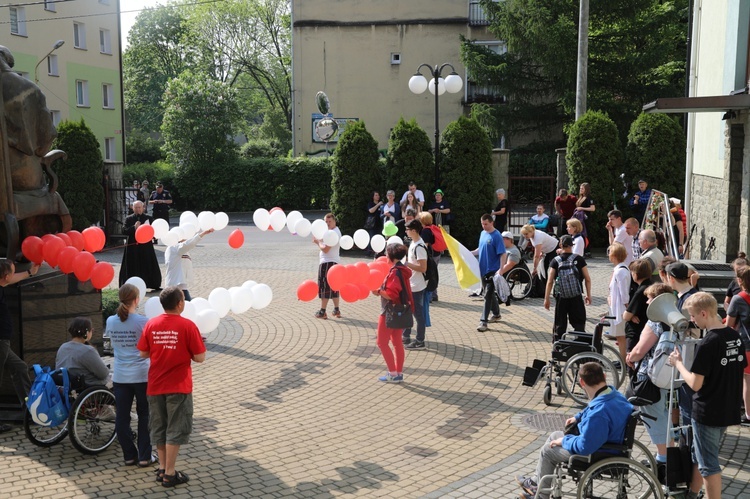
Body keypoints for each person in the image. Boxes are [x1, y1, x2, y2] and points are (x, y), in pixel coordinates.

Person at [515, 362, 633, 499]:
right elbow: (593, 406)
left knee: (547, 451)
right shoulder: (613, 394)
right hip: (611, 442)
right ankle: (536, 482)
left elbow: (585, 446)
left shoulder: (598, 414)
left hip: (599, 452)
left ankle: (541, 495)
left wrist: (565, 441)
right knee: (554, 435)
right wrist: (578, 417)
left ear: (582, 382)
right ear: (604, 376)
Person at [668, 292, 746, 499]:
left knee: (709, 464)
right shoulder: (734, 336)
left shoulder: (708, 343)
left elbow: (694, 383)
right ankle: (692, 494)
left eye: (693, 316)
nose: (692, 320)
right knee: (699, 455)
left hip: (707, 411)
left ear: (703, 313)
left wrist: (678, 364)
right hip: (727, 408)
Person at [137, 287, 206, 488]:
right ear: (180, 304)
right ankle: (169, 474)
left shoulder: (152, 324)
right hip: (179, 386)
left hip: (155, 385)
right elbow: (200, 357)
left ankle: (162, 469)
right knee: (175, 429)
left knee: (160, 428)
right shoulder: (187, 326)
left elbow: (142, 352)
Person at [625, 283, 676, 472]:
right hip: (669, 374)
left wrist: (630, 357)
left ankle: (663, 460)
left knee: (653, 416)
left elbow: (639, 350)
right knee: (664, 413)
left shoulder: (655, 321)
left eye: (649, 298)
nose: (646, 302)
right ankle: (668, 453)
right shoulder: (676, 318)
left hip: (650, 377)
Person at [106, 283, 153, 467]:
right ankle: (144, 456)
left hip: (120, 376)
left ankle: (129, 455)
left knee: (122, 417)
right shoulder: (143, 321)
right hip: (142, 375)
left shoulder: (110, 321)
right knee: (145, 415)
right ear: (136, 300)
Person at [0, 259, 39, 433]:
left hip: (3, 342)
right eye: (13, 272)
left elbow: (12, 277)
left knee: (20, 368)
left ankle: (29, 411)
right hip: (0, 341)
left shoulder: (2, 282)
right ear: (6, 276)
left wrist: (30, 273)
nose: (14, 275)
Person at [372, 243, 413, 383]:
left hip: (390, 311)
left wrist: (378, 292)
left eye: (386, 253)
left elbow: (391, 294)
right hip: (401, 310)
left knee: (382, 343)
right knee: (396, 342)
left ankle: (392, 373)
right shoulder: (402, 269)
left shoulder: (395, 272)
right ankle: (398, 372)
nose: (385, 255)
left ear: (391, 255)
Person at [544, 235, 591, 341]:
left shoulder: (555, 261)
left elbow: (550, 281)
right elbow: (587, 279)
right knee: (579, 322)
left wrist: (546, 298)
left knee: (560, 323)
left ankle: (558, 346)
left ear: (561, 245)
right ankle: (580, 344)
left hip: (561, 296)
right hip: (576, 295)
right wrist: (588, 295)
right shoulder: (579, 259)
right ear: (572, 245)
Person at [723, 266, 750, 425]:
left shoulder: (738, 299)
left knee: (747, 381)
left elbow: (729, 324)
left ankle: (748, 415)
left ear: (739, 281)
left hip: (746, 345)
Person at [472, 214, 506, 332]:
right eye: (482, 224)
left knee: (487, 295)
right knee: (490, 294)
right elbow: (479, 249)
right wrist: (469, 253)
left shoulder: (497, 236)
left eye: (486, 224)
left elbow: (503, 253)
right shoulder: (482, 234)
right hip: (483, 269)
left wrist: (501, 269)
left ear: (492, 223)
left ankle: (483, 322)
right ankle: (496, 314)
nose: (484, 226)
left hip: (493, 270)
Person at [119, 200, 162, 290]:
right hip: (133, 247)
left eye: (139, 207)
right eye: (136, 207)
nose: (138, 209)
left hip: (146, 247)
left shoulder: (149, 218)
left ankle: (152, 283)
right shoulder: (129, 219)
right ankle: (132, 285)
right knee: (133, 265)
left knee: (147, 264)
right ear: (133, 208)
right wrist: (134, 227)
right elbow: (124, 231)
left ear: (143, 208)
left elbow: (154, 231)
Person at [56, 317, 110, 387]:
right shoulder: (87, 350)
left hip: (66, 387)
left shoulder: (63, 347)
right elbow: (103, 373)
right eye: (91, 330)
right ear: (87, 332)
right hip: (89, 388)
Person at [165, 228, 214, 302]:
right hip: (174, 286)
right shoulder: (174, 248)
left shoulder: (179, 249)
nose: (186, 239)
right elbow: (189, 244)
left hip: (180, 286)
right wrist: (202, 234)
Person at [622, 259, 654, 366]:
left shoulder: (641, 291)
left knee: (631, 362)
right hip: (648, 331)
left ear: (635, 275)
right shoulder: (652, 286)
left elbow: (626, 315)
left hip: (635, 333)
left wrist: (629, 316)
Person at [403, 219, 428, 349]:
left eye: (407, 229)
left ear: (414, 230)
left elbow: (423, 268)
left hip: (417, 286)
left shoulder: (419, 246)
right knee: (408, 310)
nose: (405, 231)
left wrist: (407, 264)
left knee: (418, 314)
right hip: (411, 284)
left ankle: (420, 341)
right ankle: (406, 336)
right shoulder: (413, 243)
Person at [312, 213, 342, 319]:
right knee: (334, 287)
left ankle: (323, 311)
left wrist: (318, 242)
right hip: (334, 262)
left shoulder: (333, 233)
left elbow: (325, 249)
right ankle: (336, 309)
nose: (328, 223)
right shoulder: (332, 232)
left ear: (334, 221)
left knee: (324, 287)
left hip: (328, 263)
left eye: (330, 221)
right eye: (326, 222)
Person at [606, 242, 631, 363]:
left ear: (614, 255)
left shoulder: (620, 271)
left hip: (620, 310)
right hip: (617, 308)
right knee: (620, 336)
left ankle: (623, 361)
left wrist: (628, 310)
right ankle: (623, 359)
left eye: (610, 253)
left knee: (621, 337)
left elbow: (624, 293)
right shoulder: (620, 269)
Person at [573, 183, 595, 247]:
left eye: (582, 188)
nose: (581, 190)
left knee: (585, 233)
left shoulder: (589, 198)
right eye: (580, 188)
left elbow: (593, 208)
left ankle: (587, 249)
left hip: (585, 218)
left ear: (586, 189)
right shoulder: (581, 197)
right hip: (579, 218)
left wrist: (582, 208)